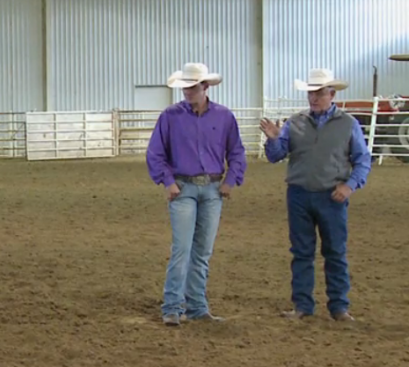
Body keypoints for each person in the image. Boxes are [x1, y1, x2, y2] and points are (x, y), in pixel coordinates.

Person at [259, 68, 371, 322]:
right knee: (302, 252)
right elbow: (276, 156)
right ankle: (303, 306)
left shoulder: (348, 124)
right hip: (299, 194)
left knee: (335, 252)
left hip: (332, 195)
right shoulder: (295, 122)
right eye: (311, 93)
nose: (314, 98)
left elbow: (362, 160)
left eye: (319, 93)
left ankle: (339, 306)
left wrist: (350, 185)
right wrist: (273, 139)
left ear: (332, 94)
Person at [146, 62, 247, 326]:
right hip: (183, 187)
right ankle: (172, 306)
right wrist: (168, 182)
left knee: (202, 251)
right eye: (185, 87)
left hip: (213, 189)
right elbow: (155, 153)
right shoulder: (170, 116)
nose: (187, 92)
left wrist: (231, 180)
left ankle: (196, 306)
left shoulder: (224, 117)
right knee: (183, 248)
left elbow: (236, 151)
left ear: (205, 86)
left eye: (191, 87)